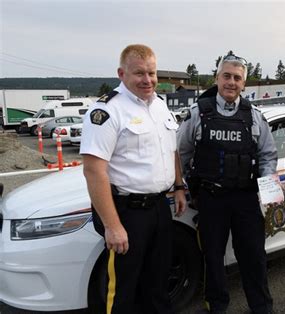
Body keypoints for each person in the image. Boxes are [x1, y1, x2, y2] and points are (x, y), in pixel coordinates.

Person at [80, 44, 187, 314]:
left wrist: (178, 186)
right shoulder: (107, 112)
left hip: (160, 208)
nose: (147, 80)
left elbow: (170, 150)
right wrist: (112, 226)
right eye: (139, 73)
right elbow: (93, 170)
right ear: (121, 73)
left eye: (152, 73)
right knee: (123, 289)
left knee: (158, 282)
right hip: (127, 212)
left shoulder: (160, 106)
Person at [177, 53, 277, 314]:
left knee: (254, 256)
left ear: (244, 83)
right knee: (212, 256)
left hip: (246, 198)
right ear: (217, 78)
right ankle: (217, 305)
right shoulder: (198, 113)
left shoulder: (254, 116)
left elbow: (267, 155)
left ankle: (262, 307)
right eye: (227, 76)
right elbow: (181, 152)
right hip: (211, 198)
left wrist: (268, 192)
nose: (231, 82)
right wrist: (189, 185)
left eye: (237, 78)